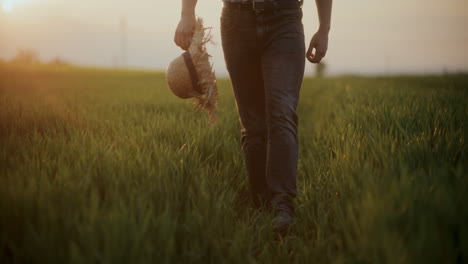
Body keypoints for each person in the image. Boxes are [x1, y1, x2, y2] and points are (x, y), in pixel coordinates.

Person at [174, 0, 332, 236]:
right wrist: (187, 13)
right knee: (252, 123)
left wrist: (324, 29)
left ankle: (282, 206)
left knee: (282, 112)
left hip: (285, 21)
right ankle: (260, 204)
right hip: (237, 21)